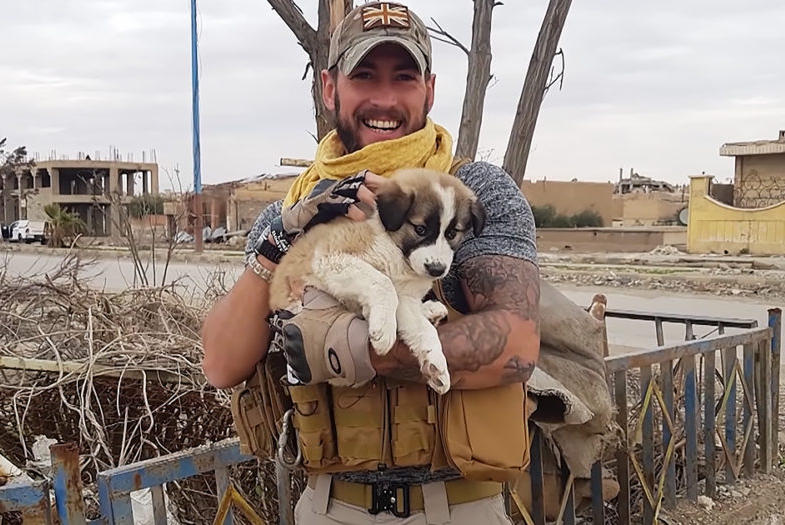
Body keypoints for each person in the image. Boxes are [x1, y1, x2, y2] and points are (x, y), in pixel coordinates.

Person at [202, 2, 542, 523]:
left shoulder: (473, 195)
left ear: (428, 90)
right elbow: (222, 364)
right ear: (330, 88)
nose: (384, 99)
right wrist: (279, 244)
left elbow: (516, 345)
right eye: (364, 76)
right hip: (332, 504)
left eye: (403, 78)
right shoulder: (293, 210)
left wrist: (348, 348)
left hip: (458, 504)